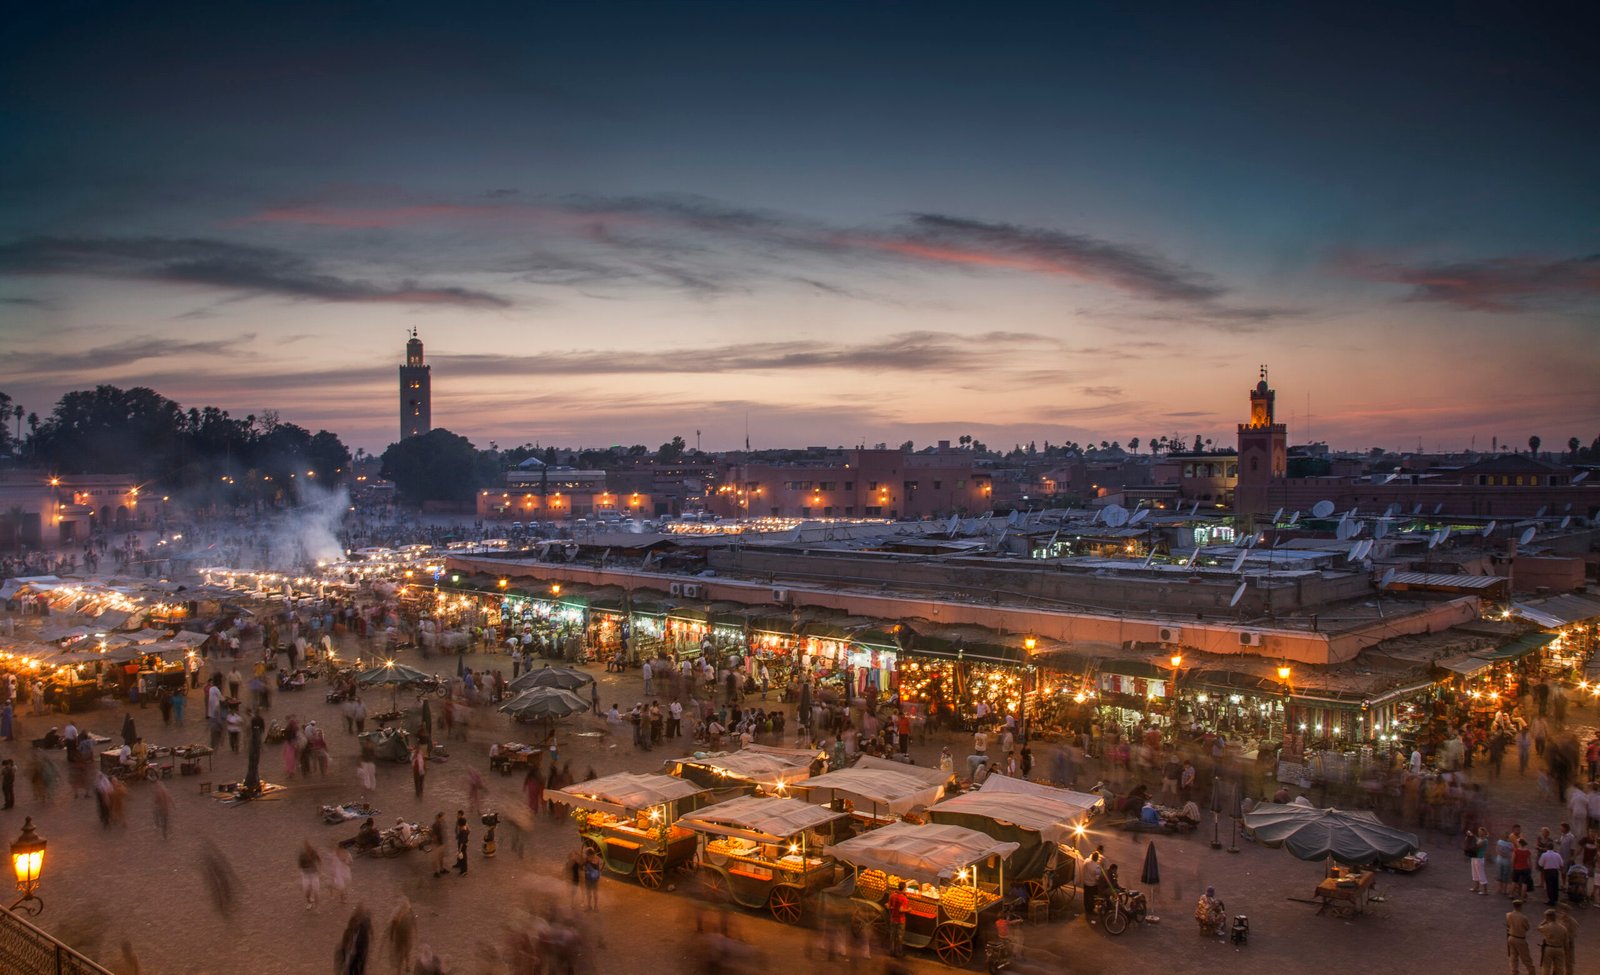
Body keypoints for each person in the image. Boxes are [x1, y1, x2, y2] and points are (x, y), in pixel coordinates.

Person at [1506, 899, 1534, 975]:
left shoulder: (1508, 915)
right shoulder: (1523, 917)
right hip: (1520, 938)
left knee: (1513, 956)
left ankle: (1514, 972)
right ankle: (1531, 972)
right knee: (1526, 958)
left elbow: (1508, 925)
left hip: (1511, 937)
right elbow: (1527, 927)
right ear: (1520, 906)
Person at [1537, 908, 1568, 975]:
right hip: (1560, 948)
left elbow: (1538, 927)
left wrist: (1544, 921)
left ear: (1548, 917)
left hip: (1549, 948)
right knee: (1559, 968)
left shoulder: (1547, 927)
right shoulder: (1563, 928)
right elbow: (1566, 942)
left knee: (1546, 967)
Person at [1080, 853, 1105, 924]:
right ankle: (1090, 910)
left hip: (1085, 882)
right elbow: (1097, 878)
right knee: (1092, 897)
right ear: (1096, 858)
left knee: (1086, 896)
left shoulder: (1086, 861)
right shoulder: (1096, 867)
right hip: (1092, 884)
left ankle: (1086, 907)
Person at [887, 881, 909, 957]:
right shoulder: (904, 899)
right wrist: (908, 910)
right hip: (900, 920)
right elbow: (901, 910)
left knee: (892, 935)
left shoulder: (892, 896)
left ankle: (891, 952)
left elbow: (888, 906)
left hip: (893, 918)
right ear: (904, 888)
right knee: (900, 937)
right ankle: (898, 953)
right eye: (906, 888)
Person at [298, 841, 322, 910]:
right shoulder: (302, 855)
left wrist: (319, 869)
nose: (308, 848)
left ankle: (317, 906)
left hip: (314, 874)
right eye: (306, 847)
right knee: (306, 892)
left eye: (309, 847)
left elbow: (319, 860)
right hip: (306, 875)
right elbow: (300, 865)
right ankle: (309, 901)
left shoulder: (314, 852)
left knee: (316, 891)